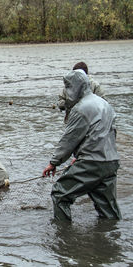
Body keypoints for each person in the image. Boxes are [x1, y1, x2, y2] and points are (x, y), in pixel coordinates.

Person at [42, 70, 121, 221]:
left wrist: (53, 163)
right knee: (107, 207)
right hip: (111, 161)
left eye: (68, 87)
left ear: (75, 87)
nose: (66, 90)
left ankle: (64, 238)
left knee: (60, 194)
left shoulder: (80, 109)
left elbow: (69, 139)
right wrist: (81, 156)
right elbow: (111, 134)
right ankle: (111, 237)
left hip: (93, 162)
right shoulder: (105, 104)